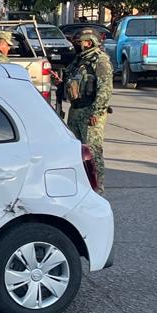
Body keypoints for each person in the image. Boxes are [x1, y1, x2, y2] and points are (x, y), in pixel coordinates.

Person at [64, 30, 113, 193]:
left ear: (90, 42)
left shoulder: (100, 60)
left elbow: (105, 88)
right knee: (76, 151)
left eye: (81, 42)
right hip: (76, 110)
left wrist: (97, 112)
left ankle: (97, 188)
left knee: (93, 151)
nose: (78, 45)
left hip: (90, 111)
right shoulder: (79, 60)